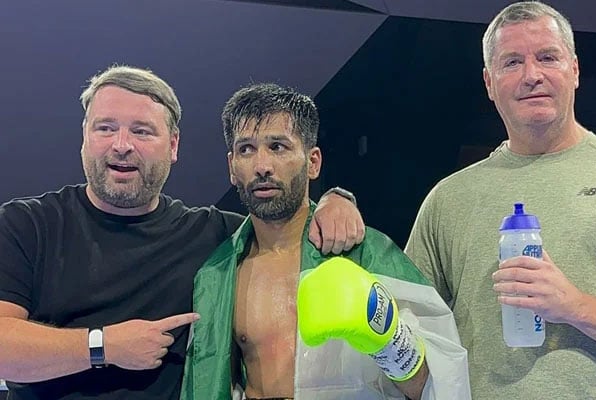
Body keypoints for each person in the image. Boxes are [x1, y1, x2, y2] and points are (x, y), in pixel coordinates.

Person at [0, 65, 365, 400]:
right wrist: (104, 346)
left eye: (142, 131)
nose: (122, 144)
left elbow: (287, 221)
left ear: (173, 145)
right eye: (105, 127)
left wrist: (336, 199)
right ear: (84, 137)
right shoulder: (26, 224)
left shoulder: (214, 234)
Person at [405, 2, 596, 399]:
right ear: (489, 82)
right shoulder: (447, 200)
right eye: (512, 62)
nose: (532, 75)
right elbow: (411, 341)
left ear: (574, 70)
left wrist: (573, 306)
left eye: (547, 57)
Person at [180, 83, 471, 400]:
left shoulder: (366, 254)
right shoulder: (218, 275)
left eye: (278, 146)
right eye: (246, 149)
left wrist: (388, 338)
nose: (262, 165)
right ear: (232, 167)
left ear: (313, 162)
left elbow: (440, 385)